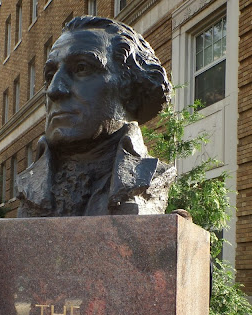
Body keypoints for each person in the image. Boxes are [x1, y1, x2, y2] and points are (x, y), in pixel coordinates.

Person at [17, 16, 176, 218]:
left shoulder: (150, 177)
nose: (54, 90)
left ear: (128, 88)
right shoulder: (30, 186)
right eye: (50, 76)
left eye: (82, 68)